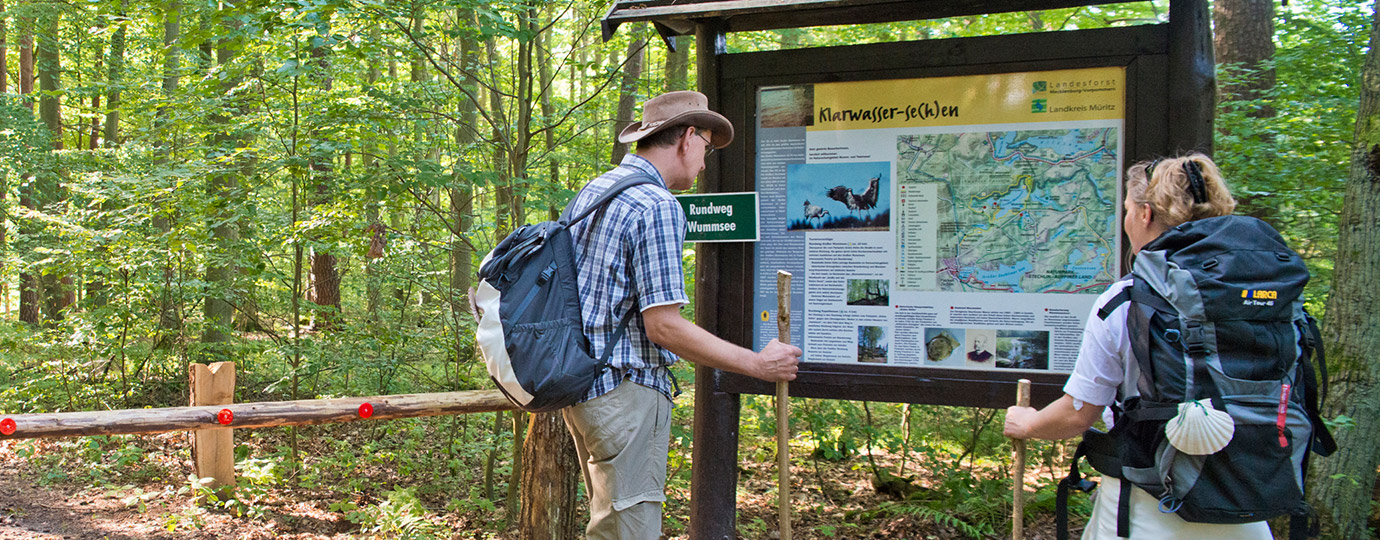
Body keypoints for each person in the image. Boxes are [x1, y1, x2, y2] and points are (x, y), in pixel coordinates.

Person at [562, 90, 802, 539]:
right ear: (688, 138)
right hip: (626, 395)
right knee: (627, 531)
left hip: (584, 390)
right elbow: (663, 326)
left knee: (609, 524)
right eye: (707, 148)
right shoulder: (657, 205)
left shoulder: (596, 190)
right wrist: (756, 364)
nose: (706, 162)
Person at [1002, 153, 1271, 539]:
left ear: (1145, 214)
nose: (1125, 219)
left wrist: (1027, 423)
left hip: (1146, 508)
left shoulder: (1127, 300)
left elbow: (1079, 414)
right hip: (1245, 503)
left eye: (1127, 209)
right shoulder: (1257, 294)